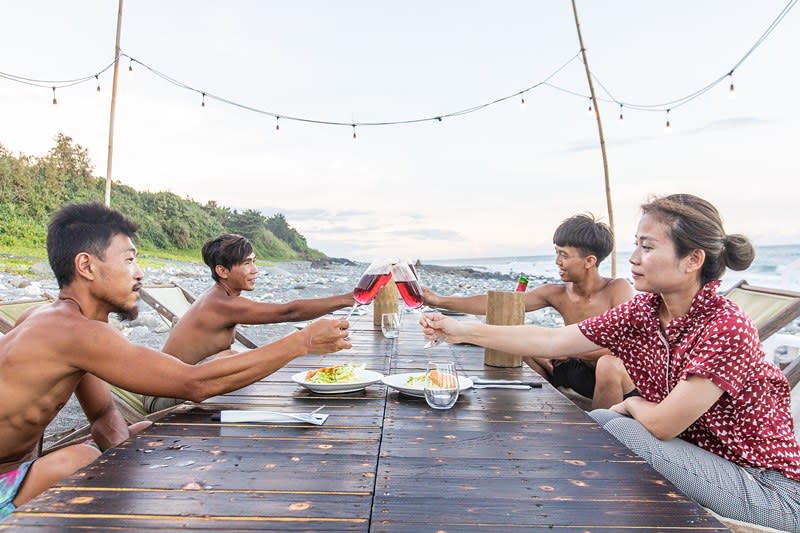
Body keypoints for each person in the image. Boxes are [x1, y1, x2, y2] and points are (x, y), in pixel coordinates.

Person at [421, 194, 800, 531]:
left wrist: (631, 403)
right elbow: (553, 339)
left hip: (769, 491)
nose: (634, 258)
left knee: (614, 426)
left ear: (693, 260)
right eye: (636, 245)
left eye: (648, 247)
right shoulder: (646, 311)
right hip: (700, 461)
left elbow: (664, 424)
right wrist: (460, 330)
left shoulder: (726, 326)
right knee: (604, 425)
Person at [0, 203, 350, 520]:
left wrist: (125, 460)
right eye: (129, 260)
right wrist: (301, 342)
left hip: (16, 472)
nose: (139, 273)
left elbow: (104, 416)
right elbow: (195, 383)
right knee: (77, 460)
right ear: (86, 266)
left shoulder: (58, 323)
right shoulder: (74, 332)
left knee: (137, 435)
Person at [422, 214, 634, 408]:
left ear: (590, 261)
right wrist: (439, 300)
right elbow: (500, 303)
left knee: (608, 363)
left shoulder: (617, 289)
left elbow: (626, 348)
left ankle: (603, 430)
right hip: (570, 369)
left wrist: (569, 350)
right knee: (518, 342)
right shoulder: (557, 293)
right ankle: (554, 401)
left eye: (564, 255)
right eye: (556, 253)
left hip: (608, 374)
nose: (557, 261)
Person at [141, 233, 355, 412]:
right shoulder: (219, 303)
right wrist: (349, 299)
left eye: (254, 261)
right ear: (222, 271)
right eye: (246, 263)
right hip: (163, 396)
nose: (255, 269)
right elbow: (289, 311)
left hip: (182, 383)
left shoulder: (221, 297)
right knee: (238, 358)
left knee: (237, 356)